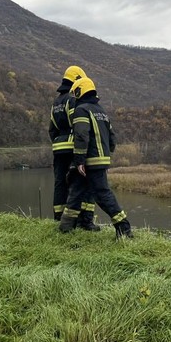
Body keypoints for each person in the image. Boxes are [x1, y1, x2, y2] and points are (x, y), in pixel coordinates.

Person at [59, 77, 133, 239]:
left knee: (102, 194)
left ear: (80, 91)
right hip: (100, 159)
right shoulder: (101, 111)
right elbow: (112, 138)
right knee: (77, 190)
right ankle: (66, 226)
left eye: (75, 93)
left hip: (89, 160)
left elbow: (81, 135)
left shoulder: (81, 110)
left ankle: (124, 228)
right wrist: (106, 155)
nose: (74, 96)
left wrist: (79, 160)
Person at [48, 66, 98, 230]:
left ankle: (59, 217)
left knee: (60, 183)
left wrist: (58, 142)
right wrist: (82, 149)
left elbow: (52, 129)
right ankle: (84, 220)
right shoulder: (72, 99)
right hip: (73, 147)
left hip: (58, 148)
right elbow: (78, 125)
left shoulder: (56, 103)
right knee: (82, 182)